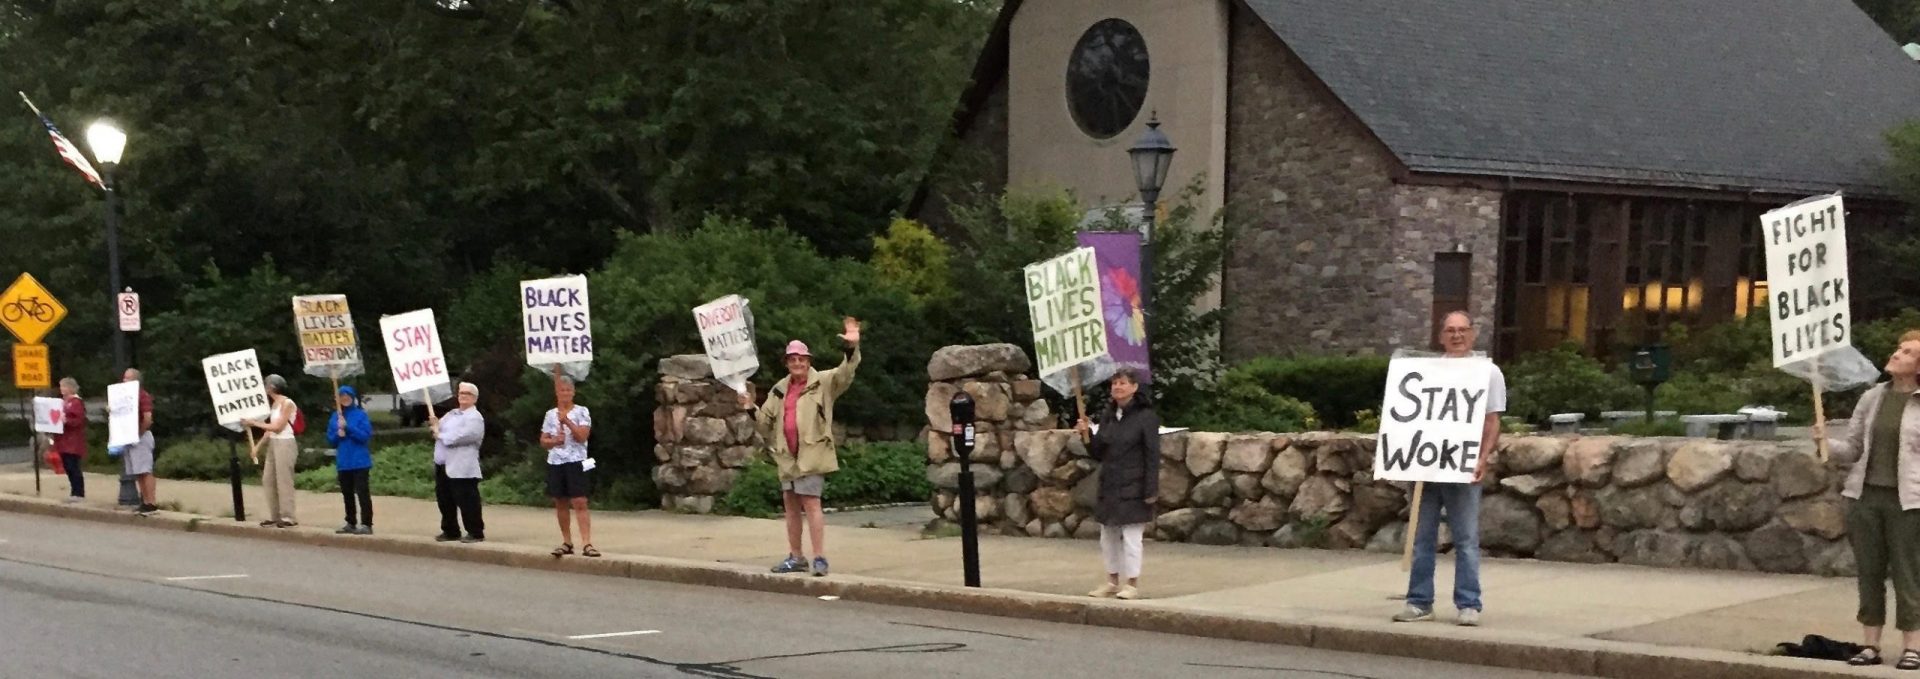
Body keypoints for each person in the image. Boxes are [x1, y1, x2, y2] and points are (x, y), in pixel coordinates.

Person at [1393, 310, 1506, 627]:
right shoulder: (1426, 371)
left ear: (1472, 334)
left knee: (1466, 539)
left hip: (1463, 467)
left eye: (1462, 330)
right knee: (1422, 537)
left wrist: (1482, 458)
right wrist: (1410, 455)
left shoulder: (1488, 372)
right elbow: (1409, 416)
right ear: (1441, 336)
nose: (1457, 336)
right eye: (1450, 330)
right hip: (1427, 467)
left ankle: (1469, 603)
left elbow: (1492, 421)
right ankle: (1419, 602)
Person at [1822, 330, 1920, 669]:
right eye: (1898, 347)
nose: (1897, 353)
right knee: (1869, 572)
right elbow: (1852, 449)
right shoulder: (1872, 397)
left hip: (1909, 502)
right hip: (1864, 498)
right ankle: (1870, 646)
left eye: (1906, 352)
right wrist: (1825, 444)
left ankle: (1912, 646)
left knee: (1909, 574)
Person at [743, 317, 862, 577]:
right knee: (790, 505)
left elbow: (847, 372)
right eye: (793, 359)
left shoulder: (824, 382)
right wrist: (750, 407)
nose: (798, 363)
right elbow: (764, 424)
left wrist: (852, 347)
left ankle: (819, 558)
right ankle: (796, 557)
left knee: (811, 503)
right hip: (787, 457)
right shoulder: (779, 389)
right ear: (787, 363)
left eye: (802, 359)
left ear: (809, 361)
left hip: (812, 453)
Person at [1076, 368, 1159, 600]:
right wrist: (1086, 436)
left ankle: (1132, 583)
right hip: (1110, 483)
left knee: (1132, 537)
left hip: (1134, 484)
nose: (1117, 388)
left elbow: (1152, 455)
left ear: (1134, 387)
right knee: (1108, 535)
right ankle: (1112, 580)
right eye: (1114, 384)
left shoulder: (1146, 417)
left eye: (1122, 383)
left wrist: (1151, 489)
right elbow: (1099, 452)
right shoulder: (1109, 416)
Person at [541, 375, 595, 557]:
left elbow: (582, 436)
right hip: (556, 461)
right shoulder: (550, 414)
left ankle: (587, 543)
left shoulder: (582, 411)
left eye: (568, 390)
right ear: (557, 393)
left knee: (580, 501)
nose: (565, 393)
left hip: (577, 460)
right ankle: (567, 541)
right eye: (562, 390)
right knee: (560, 501)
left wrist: (567, 422)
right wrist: (554, 440)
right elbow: (543, 440)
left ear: (573, 392)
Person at [431, 382, 486, 543]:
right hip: (443, 464)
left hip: (463, 466)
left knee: (467, 500)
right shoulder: (452, 414)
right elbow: (438, 427)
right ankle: (450, 530)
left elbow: (462, 436)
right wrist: (435, 424)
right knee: (445, 499)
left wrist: (440, 435)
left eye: (467, 394)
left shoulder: (475, 417)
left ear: (474, 398)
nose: (463, 396)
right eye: (461, 393)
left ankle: (475, 531)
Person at [244, 374, 300, 528]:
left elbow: (278, 427)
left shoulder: (287, 403)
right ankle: (275, 515)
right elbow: (270, 431)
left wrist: (254, 423)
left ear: (272, 387)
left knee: (284, 480)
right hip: (274, 443)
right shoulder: (275, 405)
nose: (265, 387)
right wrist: (258, 446)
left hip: (286, 443)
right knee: (268, 479)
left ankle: (288, 516)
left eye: (266, 385)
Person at [326, 386, 375, 535]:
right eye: (342, 396)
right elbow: (330, 440)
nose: (345, 398)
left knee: (362, 493)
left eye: (348, 396)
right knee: (347, 493)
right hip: (344, 462)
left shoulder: (360, 415)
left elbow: (365, 436)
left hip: (360, 461)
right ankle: (350, 521)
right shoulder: (335, 416)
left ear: (353, 398)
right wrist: (338, 434)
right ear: (338, 399)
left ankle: (367, 523)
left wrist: (348, 428)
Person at [122, 369, 159, 516]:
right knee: (137, 472)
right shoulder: (124, 397)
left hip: (140, 436)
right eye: (124, 378)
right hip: (129, 436)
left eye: (128, 378)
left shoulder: (142, 395)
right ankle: (144, 501)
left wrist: (139, 433)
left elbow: (148, 417)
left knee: (145, 470)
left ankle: (151, 502)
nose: (124, 380)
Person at [53, 377, 87, 504]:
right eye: (61, 386)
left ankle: (79, 492)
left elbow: (78, 420)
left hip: (73, 441)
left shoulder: (76, 402)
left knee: (73, 466)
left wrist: (67, 420)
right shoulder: (63, 402)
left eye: (64, 386)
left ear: (71, 388)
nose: (62, 389)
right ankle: (74, 491)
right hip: (63, 440)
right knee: (67, 466)